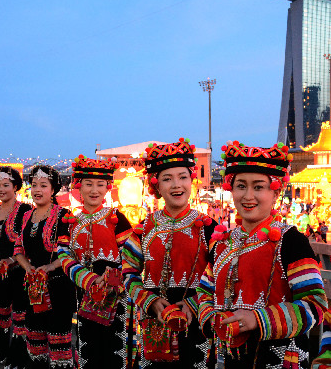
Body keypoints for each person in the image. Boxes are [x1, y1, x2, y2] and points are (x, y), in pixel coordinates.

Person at [197, 141, 327, 368]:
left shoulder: (291, 241)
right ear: (231, 189)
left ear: (276, 192)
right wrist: (213, 320)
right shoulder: (221, 244)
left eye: (258, 187)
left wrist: (257, 319)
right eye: (241, 186)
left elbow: (315, 305)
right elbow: (203, 293)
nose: (248, 196)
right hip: (227, 357)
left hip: (277, 359)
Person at [122, 139, 216, 368]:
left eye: (183, 177)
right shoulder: (143, 229)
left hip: (196, 323)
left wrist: (194, 304)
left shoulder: (209, 229)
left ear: (191, 181)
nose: (176, 185)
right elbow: (128, 272)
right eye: (167, 178)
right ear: (156, 186)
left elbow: (222, 276)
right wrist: (149, 300)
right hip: (155, 320)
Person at [57, 155, 135, 369]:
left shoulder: (117, 218)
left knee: (114, 344)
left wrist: (113, 278)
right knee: (88, 343)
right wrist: (89, 279)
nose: (94, 190)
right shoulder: (70, 221)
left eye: (100, 185)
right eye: (88, 184)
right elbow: (63, 255)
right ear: (78, 188)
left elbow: (131, 255)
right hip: (84, 293)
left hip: (115, 294)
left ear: (107, 188)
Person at [14, 165, 76, 368]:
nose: (37, 190)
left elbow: (70, 252)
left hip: (58, 285)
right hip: (34, 286)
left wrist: (49, 268)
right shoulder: (26, 216)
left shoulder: (63, 216)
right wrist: (28, 268)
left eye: (43, 185)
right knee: (35, 335)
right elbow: (18, 249)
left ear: (54, 189)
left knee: (58, 338)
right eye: (33, 185)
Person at [0, 166, 32, 364]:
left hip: (20, 269)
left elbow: (30, 243)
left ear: (16, 187)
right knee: (0, 311)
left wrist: (12, 260)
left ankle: (17, 354)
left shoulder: (26, 211)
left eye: (6, 185)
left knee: (20, 314)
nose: (1, 189)